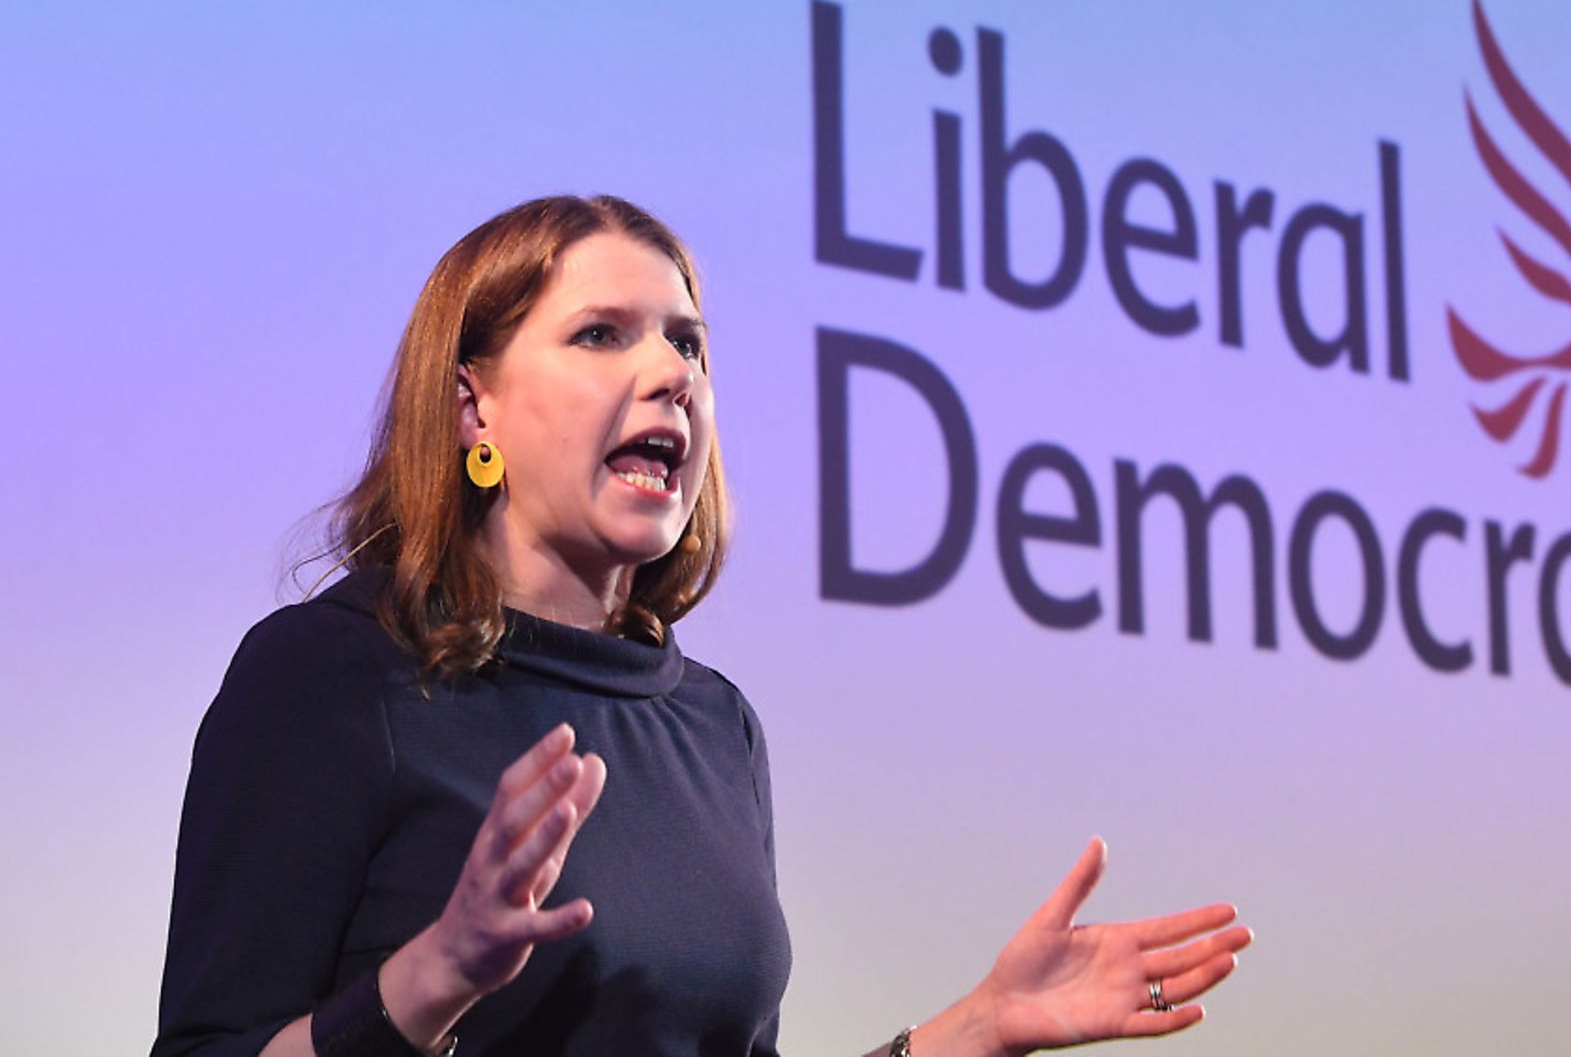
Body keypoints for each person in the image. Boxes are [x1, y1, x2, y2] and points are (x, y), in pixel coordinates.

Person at [153, 196, 1252, 1056]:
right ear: (471, 406)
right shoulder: (332, 677)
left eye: (688, 343)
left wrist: (971, 1033)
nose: (670, 373)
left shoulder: (713, 728)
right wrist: (431, 978)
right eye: (600, 334)